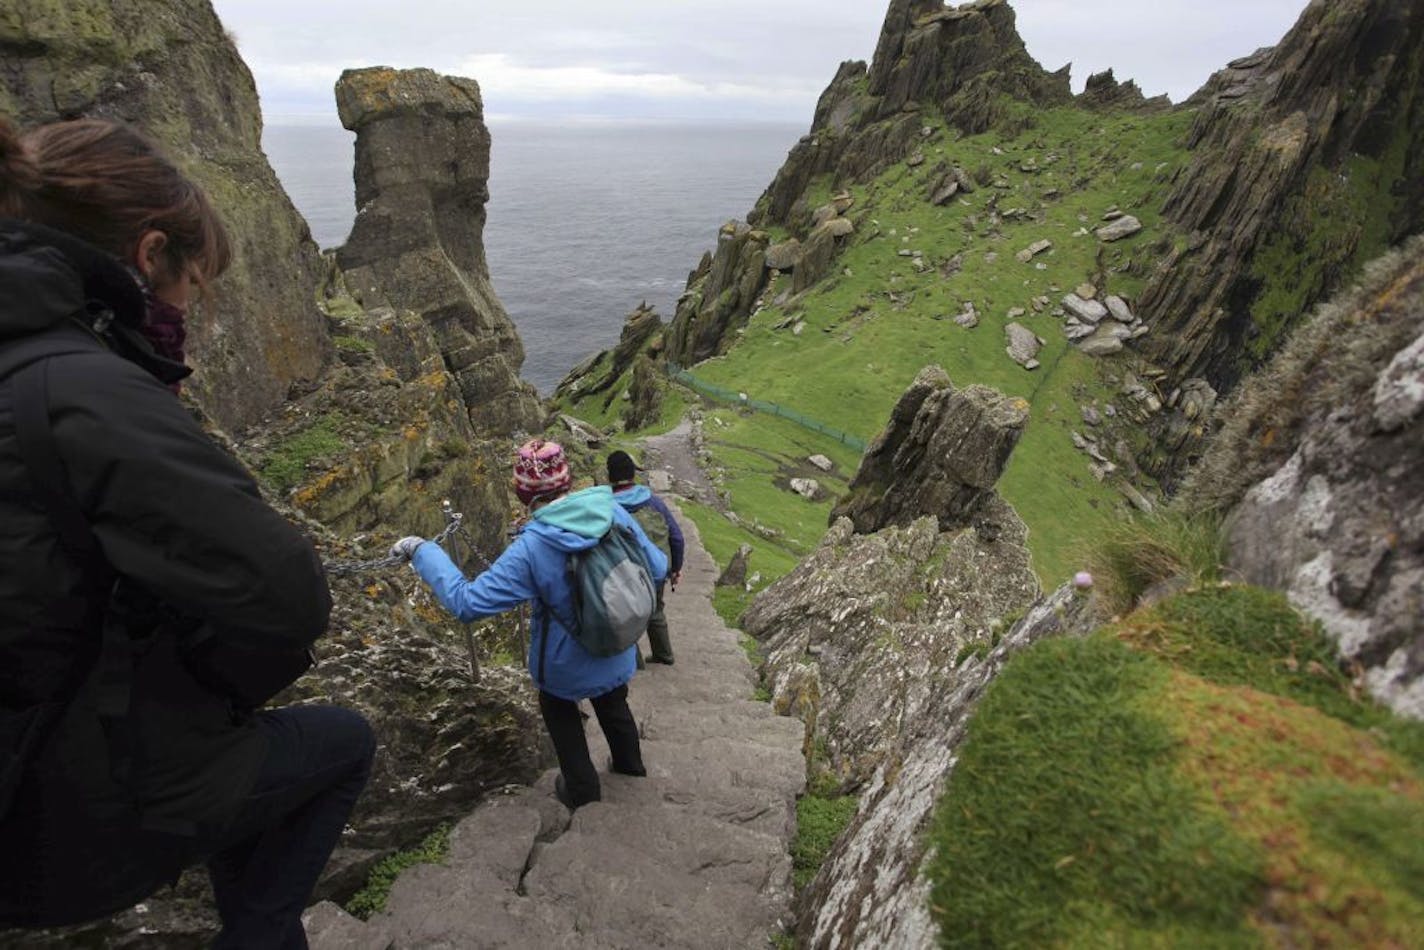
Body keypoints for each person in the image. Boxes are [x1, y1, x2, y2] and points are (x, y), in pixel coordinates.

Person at [0, 116, 373, 948]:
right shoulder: (85, 393)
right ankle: (260, 932)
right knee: (341, 743)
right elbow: (286, 597)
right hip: (54, 825)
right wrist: (212, 680)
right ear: (148, 255)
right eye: (193, 287)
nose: (192, 315)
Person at [391, 439, 667, 809]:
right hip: (618, 645)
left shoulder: (531, 547)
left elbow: (468, 603)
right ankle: (630, 769)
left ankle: (583, 795)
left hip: (563, 669)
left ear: (523, 492)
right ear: (567, 480)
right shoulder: (612, 511)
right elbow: (659, 567)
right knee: (613, 702)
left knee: (558, 709)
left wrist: (421, 548)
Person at [606, 450, 683, 666]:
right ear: (632, 474)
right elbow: (676, 537)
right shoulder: (653, 501)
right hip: (654, 570)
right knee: (656, 610)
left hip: (622, 572)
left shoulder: (607, 507)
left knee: (624, 614)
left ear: (610, 476)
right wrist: (675, 568)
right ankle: (664, 654)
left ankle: (635, 662)